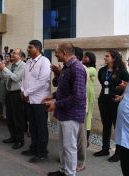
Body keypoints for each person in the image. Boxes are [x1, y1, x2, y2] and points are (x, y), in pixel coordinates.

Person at [45, 42, 87, 176]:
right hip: (64, 113)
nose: (55, 55)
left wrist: (56, 104)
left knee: (69, 147)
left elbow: (78, 96)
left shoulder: (77, 68)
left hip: (71, 115)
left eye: (56, 52)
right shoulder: (67, 67)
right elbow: (65, 90)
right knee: (63, 145)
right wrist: (52, 96)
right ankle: (63, 170)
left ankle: (70, 173)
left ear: (64, 52)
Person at [94, 49, 129, 162]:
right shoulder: (102, 70)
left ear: (113, 58)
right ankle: (105, 149)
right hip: (103, 101)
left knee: (117, 126)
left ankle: (118, 153)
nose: (104, 58)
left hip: (116, 102)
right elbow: (102, 82)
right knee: (106, 124)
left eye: (107, 56)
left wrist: (120, 94)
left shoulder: (122, 71)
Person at [21, 40, 51, 163]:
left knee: (41, 127)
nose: (28, 49)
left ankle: (42, 152)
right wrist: (23, 90)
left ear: (38, 48)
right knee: (32, 126)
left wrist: (26, 93)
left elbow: (42, 81)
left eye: (30, 47)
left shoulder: (45, 61)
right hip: (29, 100)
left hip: (40, 100)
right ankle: (33, 147)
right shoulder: (28, 61)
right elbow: (24, 79)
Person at [0, 48, 26, 150]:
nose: (12, 55)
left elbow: (16, 77)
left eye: (15, 53)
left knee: (17, 118)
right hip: (9, 93)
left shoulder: (23, 65)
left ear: (21, 56)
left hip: (17, 94)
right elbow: (4, 77)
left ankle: (20, 140)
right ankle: (13, 137)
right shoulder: (11, 65)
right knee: (10, 117)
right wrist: (1, 70)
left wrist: (4, 69)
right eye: (12, 53)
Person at [82, 51, 97, 146]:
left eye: (86, 57)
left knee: (88, 117)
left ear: (91, 59)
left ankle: (86, 140)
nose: (83, 58)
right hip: (82, 95)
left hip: (89, 96)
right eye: (83, 57)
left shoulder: (92, 69)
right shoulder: (83, 67)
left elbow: (83, 71)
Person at [0, 55, 7, 119]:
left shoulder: (4, 66)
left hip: (4, 83)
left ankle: (5, 115)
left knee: (4, 99)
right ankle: (0, 113)